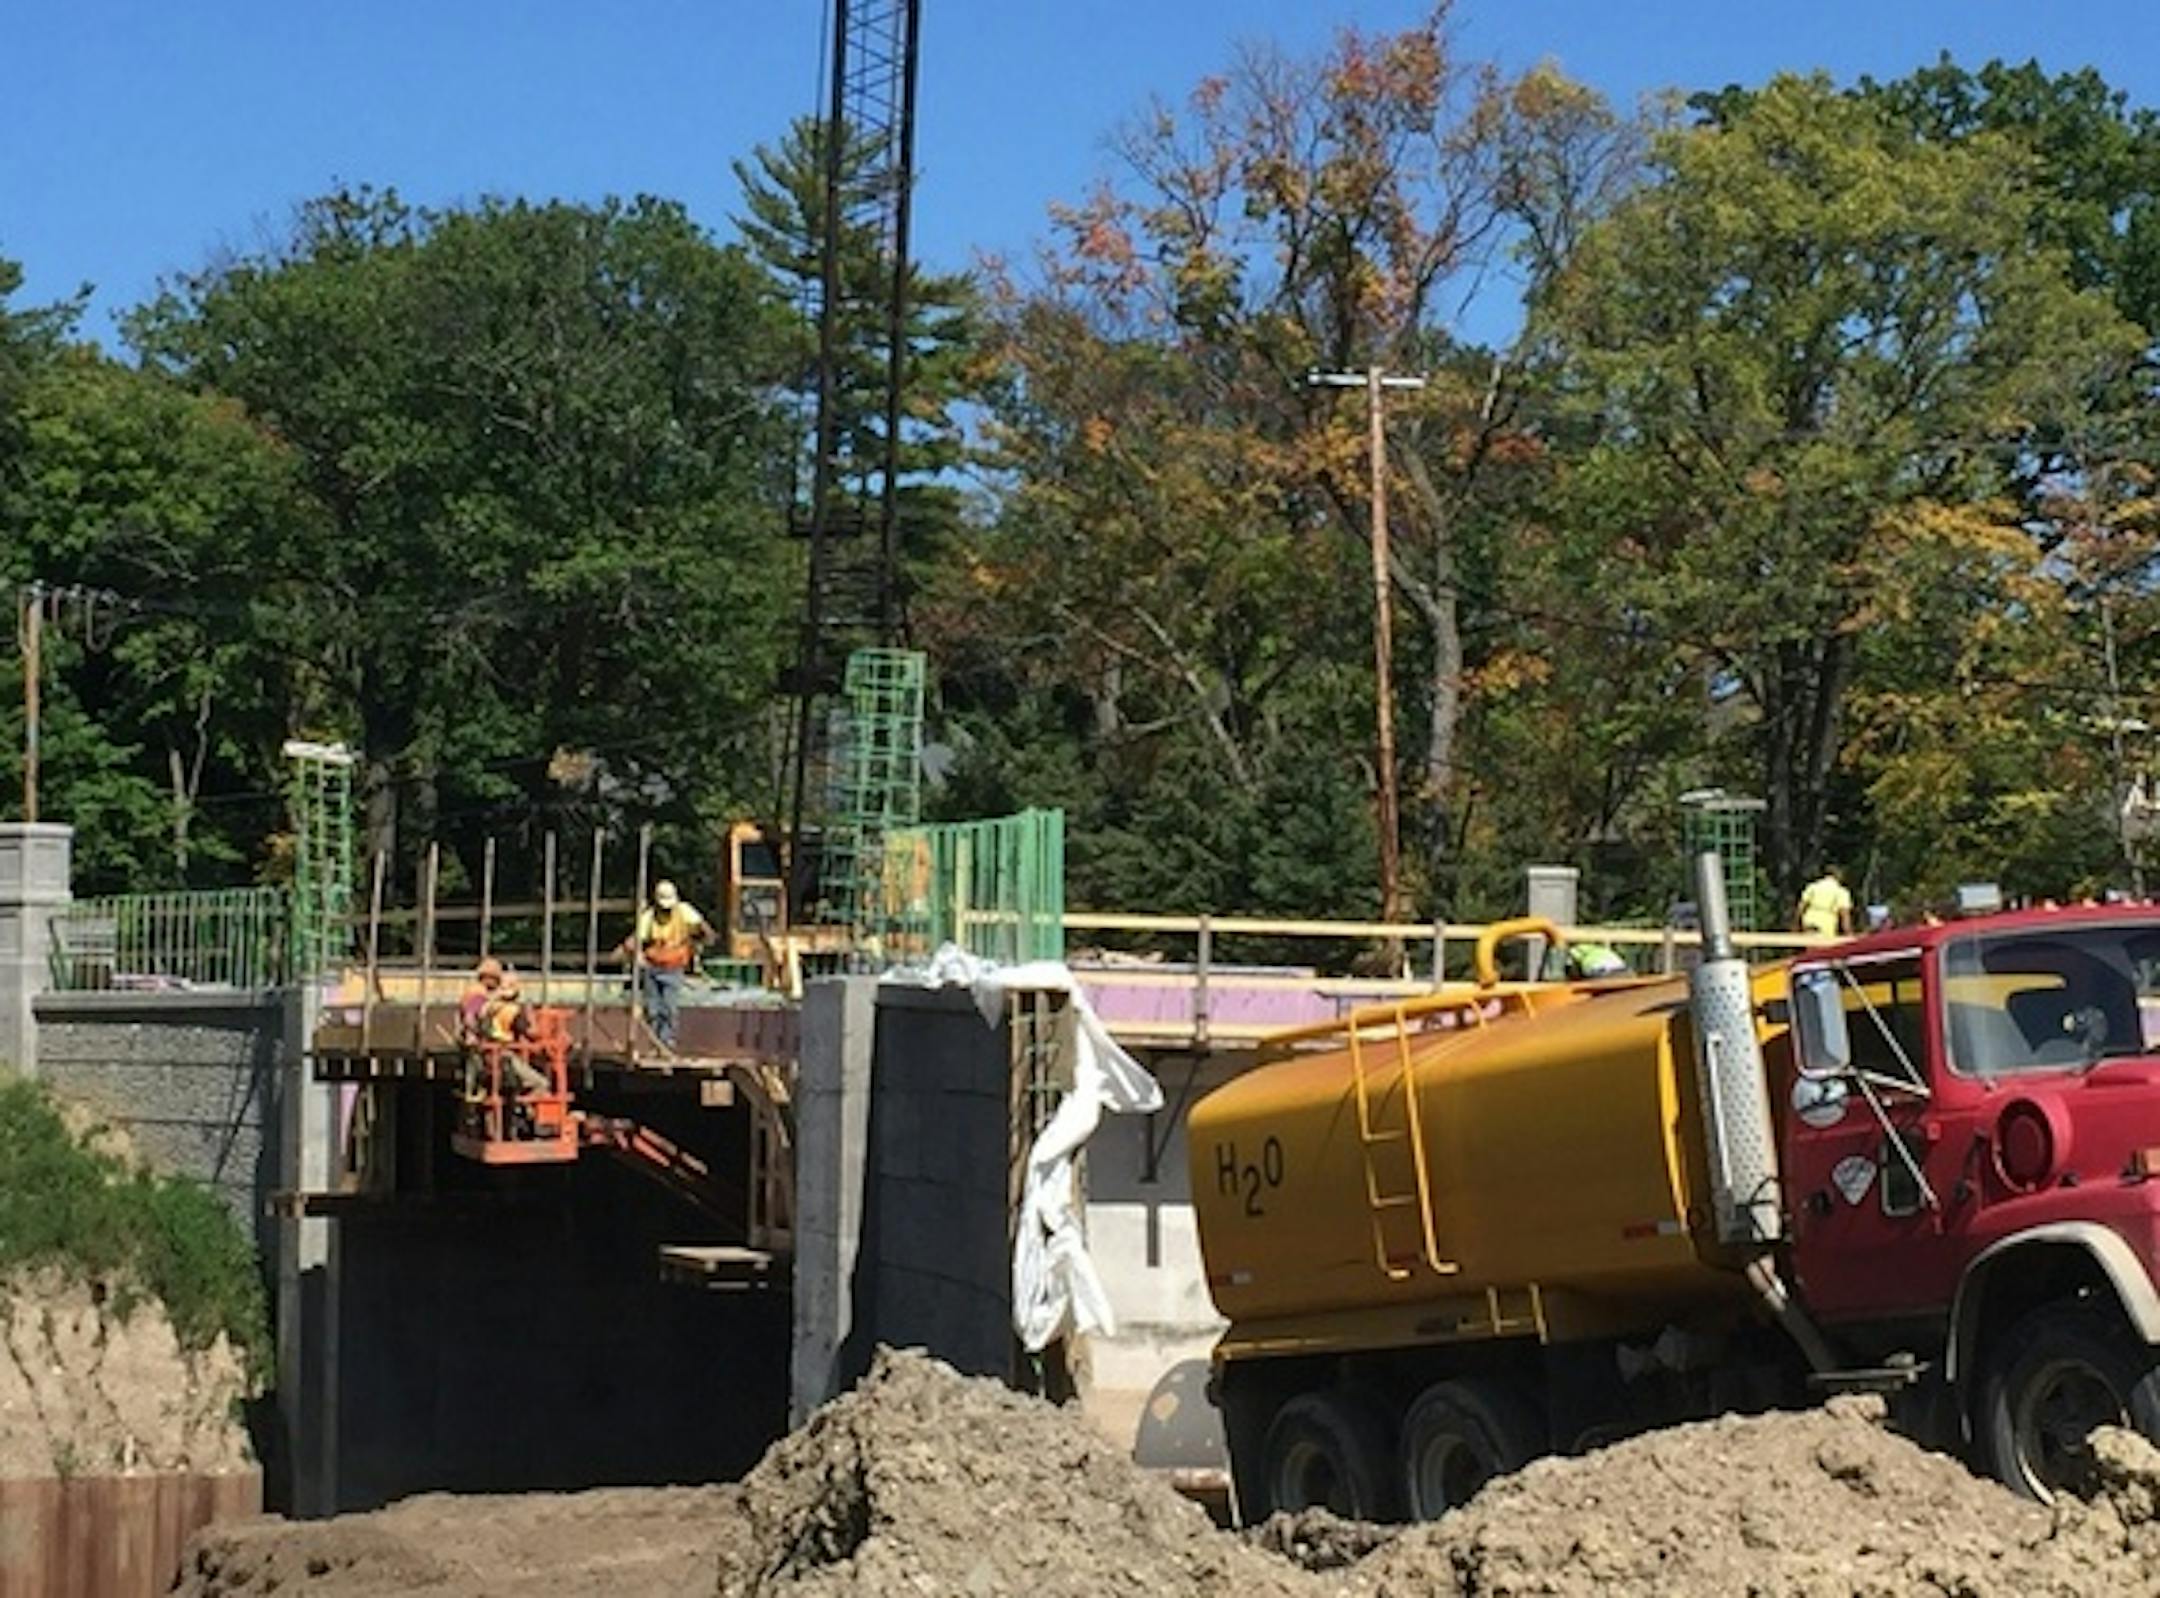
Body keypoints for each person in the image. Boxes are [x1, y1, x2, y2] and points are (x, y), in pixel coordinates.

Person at [619, 879, 710, 1050]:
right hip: (652, 967)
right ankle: (654, 1042)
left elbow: (702, 928)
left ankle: (667, 1042)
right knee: (653, 1008)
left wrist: (702, 939)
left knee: (669, 1007)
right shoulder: (650, 916)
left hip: (674, 967)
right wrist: (632, 952)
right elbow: (636, 939)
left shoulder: (684, 911)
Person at [1795, 866, 1854, 938]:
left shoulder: (1812, 887)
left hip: (1809, 920)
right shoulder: (1841, 891)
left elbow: (1801, 907)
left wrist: (1796, 926)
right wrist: (1849, 934)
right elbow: (1844, 914)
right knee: (1823, 948)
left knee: (1809, 945)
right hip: (1826, 924)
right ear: (1838, 876)